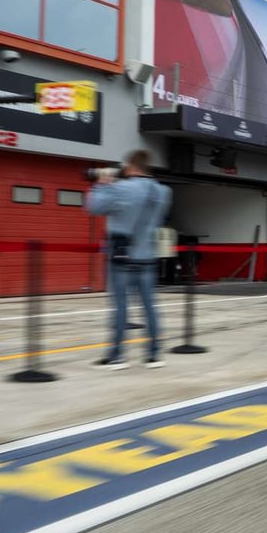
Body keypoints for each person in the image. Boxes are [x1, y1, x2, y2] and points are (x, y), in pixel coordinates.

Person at [87, 150, 173, 370]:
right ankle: (154, 355)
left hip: (122, 257)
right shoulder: (163, 192)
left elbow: (94, 207)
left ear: (130, 166)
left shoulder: (121, 188)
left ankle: (117, 356)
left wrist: (101, 183)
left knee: (121, 307)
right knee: (150, 307)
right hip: (147, 256)